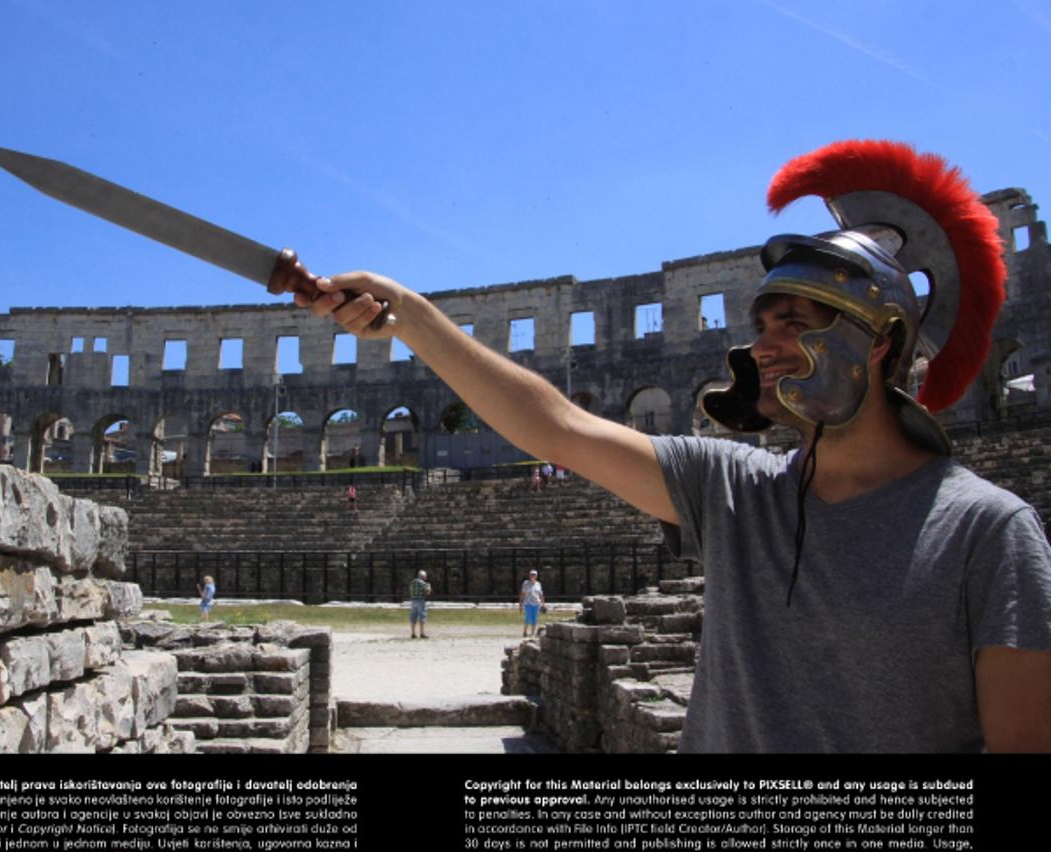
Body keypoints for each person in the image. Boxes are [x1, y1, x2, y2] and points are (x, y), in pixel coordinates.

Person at [296, 140, 1051, 752]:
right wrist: (417, 320)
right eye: (763, 324)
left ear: (884, 341)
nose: (765, 346)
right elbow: (558, 426)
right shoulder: (736, 491)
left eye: (798, 322)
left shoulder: (988, 531)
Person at [519, 569, 545, 637]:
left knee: (534, 619)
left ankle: (532, 633)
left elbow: (541, 594)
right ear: (529, 575)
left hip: (536, 603)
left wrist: (543, 604)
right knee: (528, 617)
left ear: (536, 576)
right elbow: (522, 594)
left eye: (534, 574)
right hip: (528, 603)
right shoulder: (526, 583)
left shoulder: (538, 584)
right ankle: (525, 631)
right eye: (532, 574)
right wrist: (520, 604)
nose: (533, 576)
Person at [409, 569, 431, 638]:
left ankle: (413, 633)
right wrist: (429, 587)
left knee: (413, 617)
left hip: (413, 601)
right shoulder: (423, 583)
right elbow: (427, 592)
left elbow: (410, 590)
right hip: (420, 600)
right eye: (425, 576)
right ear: (422, 576)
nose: (426, 577)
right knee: (422, 617)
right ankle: (422, 633)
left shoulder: (413, 582)